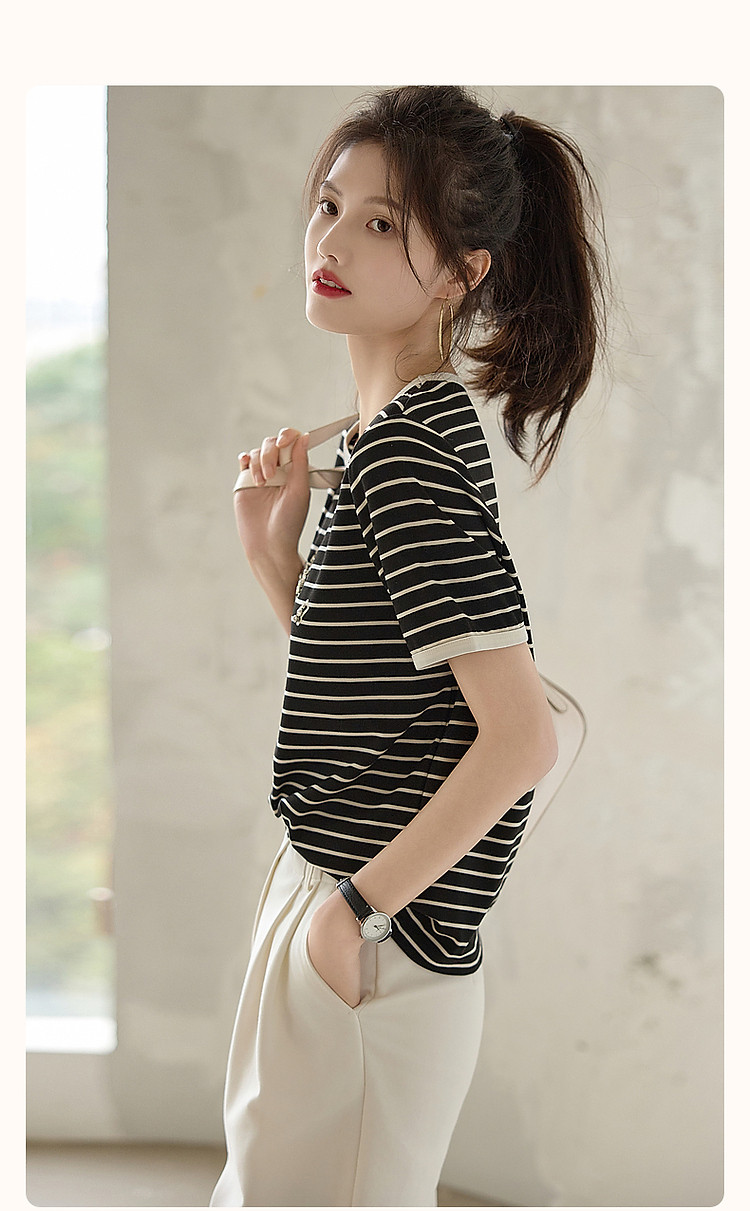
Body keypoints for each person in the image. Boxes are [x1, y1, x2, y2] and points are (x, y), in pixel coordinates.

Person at [209, 85, 609, 1208]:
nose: (332, 240)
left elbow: (520, 737)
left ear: (463, 271)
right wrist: (275, 560)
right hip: (342, 904)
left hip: (373, 930)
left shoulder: (405, 456)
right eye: (329, 204)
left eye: (382, 222)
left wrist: (353, 916)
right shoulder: (398, 436)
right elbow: (393, 697)